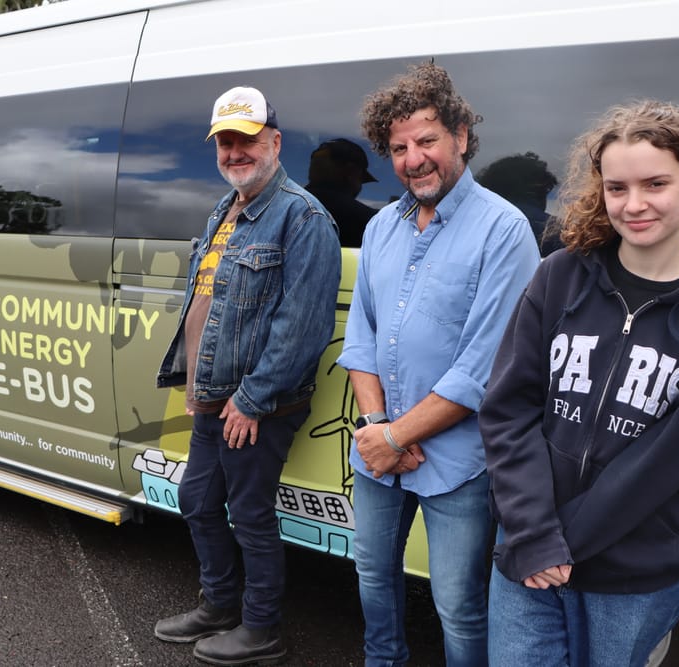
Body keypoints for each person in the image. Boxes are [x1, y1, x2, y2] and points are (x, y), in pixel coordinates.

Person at [479, 100, 679, 665]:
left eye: (655, 183)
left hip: (635, 573)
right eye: (617, 187)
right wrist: (533, 534)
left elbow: (674, 452)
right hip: (528, 551)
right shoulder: (559, 275)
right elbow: (508, 409)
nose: (635, 205)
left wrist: (565, 542)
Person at [337, 62, 540, 666]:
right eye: (398, 148)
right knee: (373, 581)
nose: (413, 159)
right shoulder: (380, 228)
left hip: (459, 462)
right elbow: (361, 337)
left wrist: (398, 434)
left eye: (426, 140)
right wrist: (378, 431)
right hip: (379, 450)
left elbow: (483, 368)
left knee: (458, 605)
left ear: (460, 136)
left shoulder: (504, 230)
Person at [155, 86, 341, 665]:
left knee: (251, 514)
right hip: (216, 398)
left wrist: (252, 399)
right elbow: (208, 306)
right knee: (198, 500)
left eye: (248, 139)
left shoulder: (304, 217)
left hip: (261, 403)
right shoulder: (226, 207)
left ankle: (260, 629)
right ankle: (219, 604)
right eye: (226, 141)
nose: (235, 151)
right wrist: (196, 382)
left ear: (275, 142)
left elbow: (302, 328)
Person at [305, 138, 379, 246]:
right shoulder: (373, 222)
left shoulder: (284, 208)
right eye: (360, 179)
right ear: (352, 172)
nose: (359, 187)